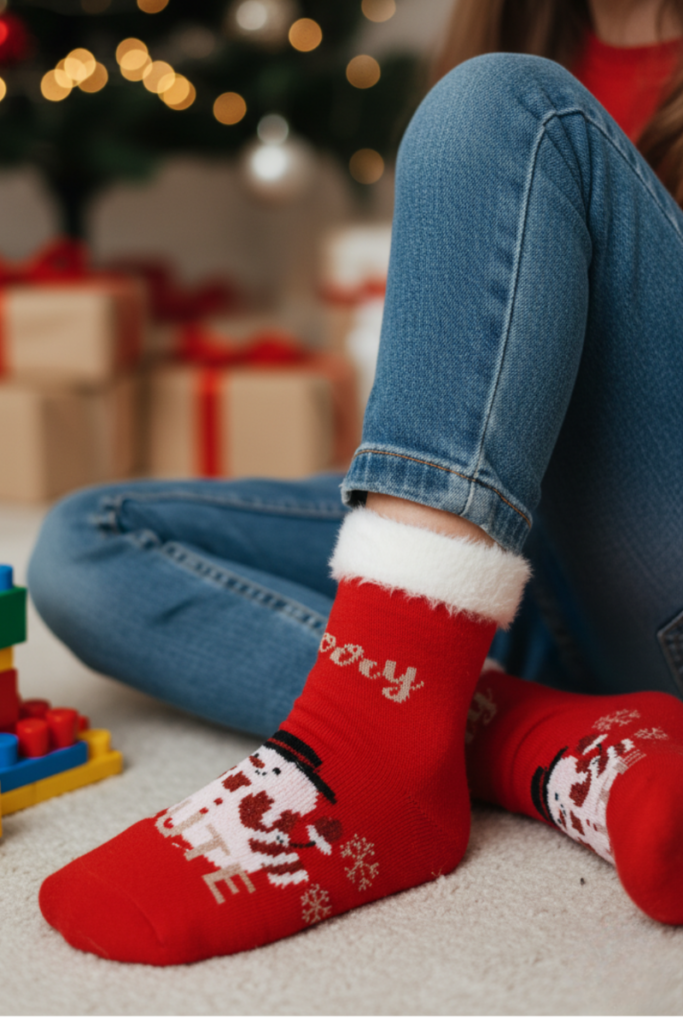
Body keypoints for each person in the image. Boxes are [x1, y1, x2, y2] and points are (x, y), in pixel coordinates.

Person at [28, 0, 683, 964]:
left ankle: (377, 743)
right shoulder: (519, 28)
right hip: (536, 569)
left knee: (506, 108)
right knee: (90, 543)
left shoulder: (513, 88)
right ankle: (543, 740)